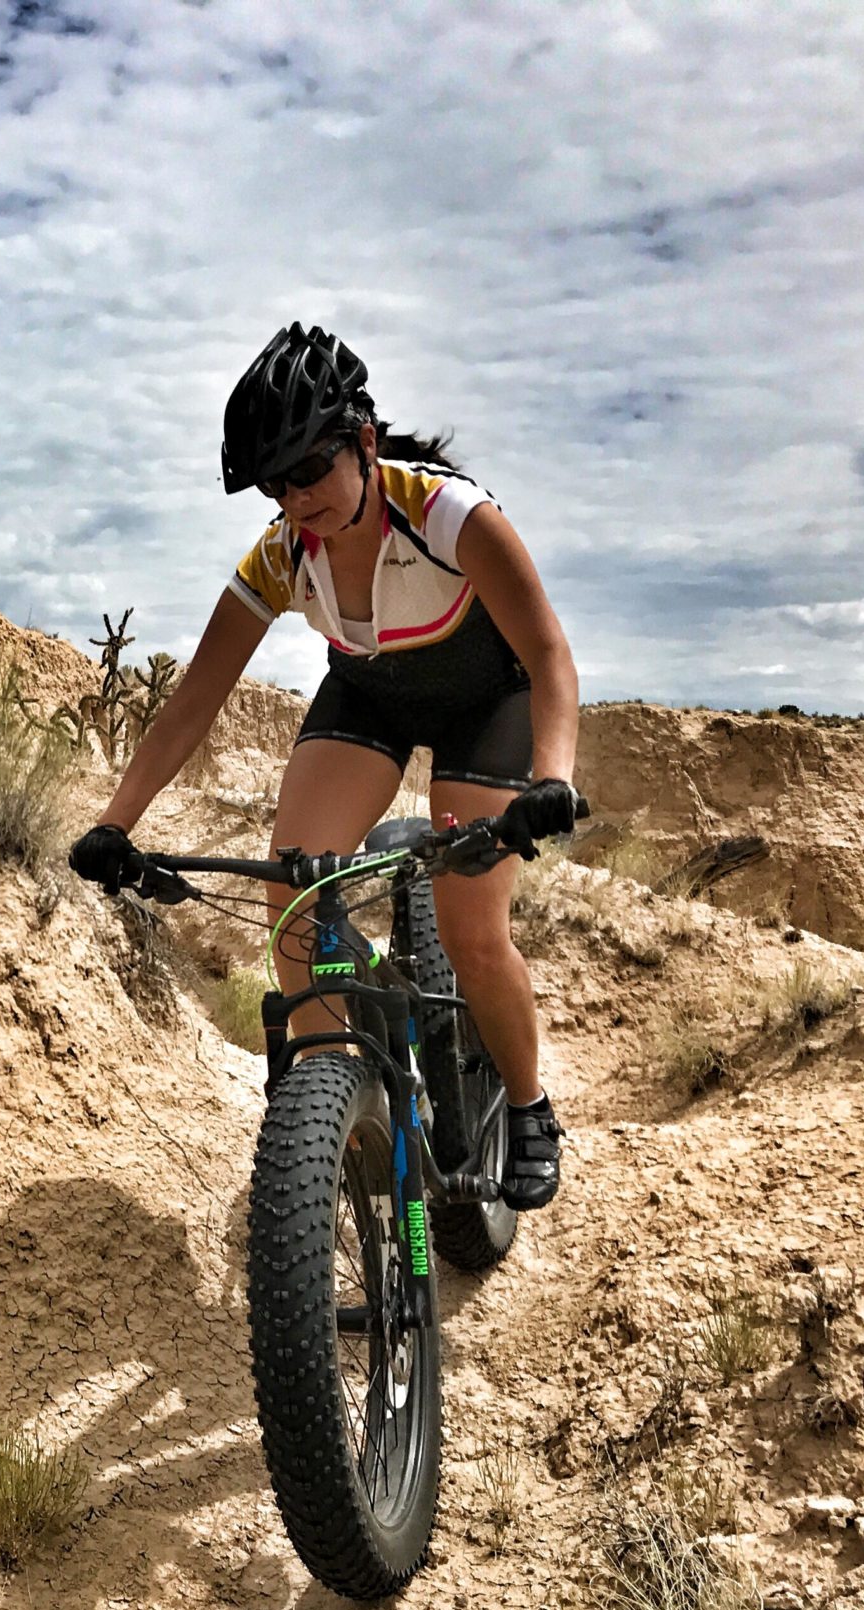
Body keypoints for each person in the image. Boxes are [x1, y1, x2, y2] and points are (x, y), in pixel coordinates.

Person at [70, 324, 582, 1209]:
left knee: (470, 928)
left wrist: (551, 777)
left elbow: (548, 655)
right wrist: (118, 821)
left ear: (365, 444)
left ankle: (531, 1110)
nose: (294, 497)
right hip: (370, 699)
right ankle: (328, 1114)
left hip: (483, 705)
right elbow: (194, 701)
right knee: (294, 903)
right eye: (276, 482)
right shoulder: (280, 556)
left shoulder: (449, 516)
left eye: (310, 470)